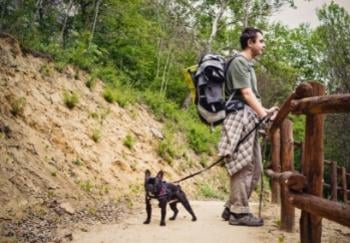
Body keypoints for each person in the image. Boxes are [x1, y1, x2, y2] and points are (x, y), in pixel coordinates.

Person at [218, 27, 278, 226]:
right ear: (250, 42)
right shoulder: (239, 62)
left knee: (255, 167)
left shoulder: (247, 65)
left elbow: (250, 96)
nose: (264, 45)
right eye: (261, 41)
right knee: (245, 166)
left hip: (247, 116)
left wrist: (265, 110)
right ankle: (239, 213)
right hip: (240, 118)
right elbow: (245, 94)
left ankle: (232, 207)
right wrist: (265, 116)